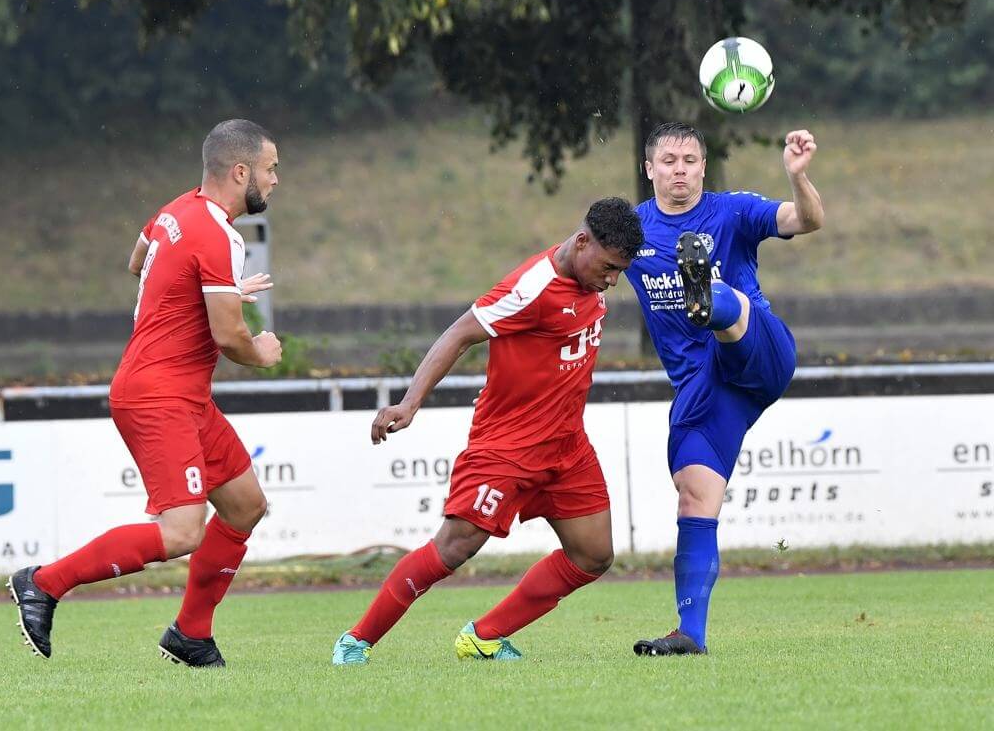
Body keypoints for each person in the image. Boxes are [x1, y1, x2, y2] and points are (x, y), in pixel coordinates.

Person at [7, 119, 283, 667]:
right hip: (158, 394)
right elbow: (230, 337)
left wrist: (217, 290)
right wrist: (262, 351)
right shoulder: (219, 234)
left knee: (245, 506)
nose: (277, 180)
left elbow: (140, 264)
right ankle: (43, 583)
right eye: (272, 168)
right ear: (241, 171)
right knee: (181, 530)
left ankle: (190, 634)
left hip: (182, 394)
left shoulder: (174, 212)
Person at [332, 197, 644, 665]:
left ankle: (484, 636)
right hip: (507, 447)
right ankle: (357, 640)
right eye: (609, 267)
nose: (613, 280)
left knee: (594, 555)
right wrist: (409, 403)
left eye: (620, 271)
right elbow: (458, 334)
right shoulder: (532, 288)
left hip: (566, 446)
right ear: (581, 242)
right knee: (453, 549)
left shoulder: (590, 272)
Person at [625, 122, 823, 656]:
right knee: (694, 496)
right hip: (707, 390)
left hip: (759, 353)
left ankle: (710, 299)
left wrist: (797, 176)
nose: (680, 169)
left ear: (703, 167)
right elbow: (576, 266)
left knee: (722, 300)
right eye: (668, 160)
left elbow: (807, 220)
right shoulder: (630, 231)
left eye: (690, 159)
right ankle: (691, 633)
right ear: (650, 169)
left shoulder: (733, 210)